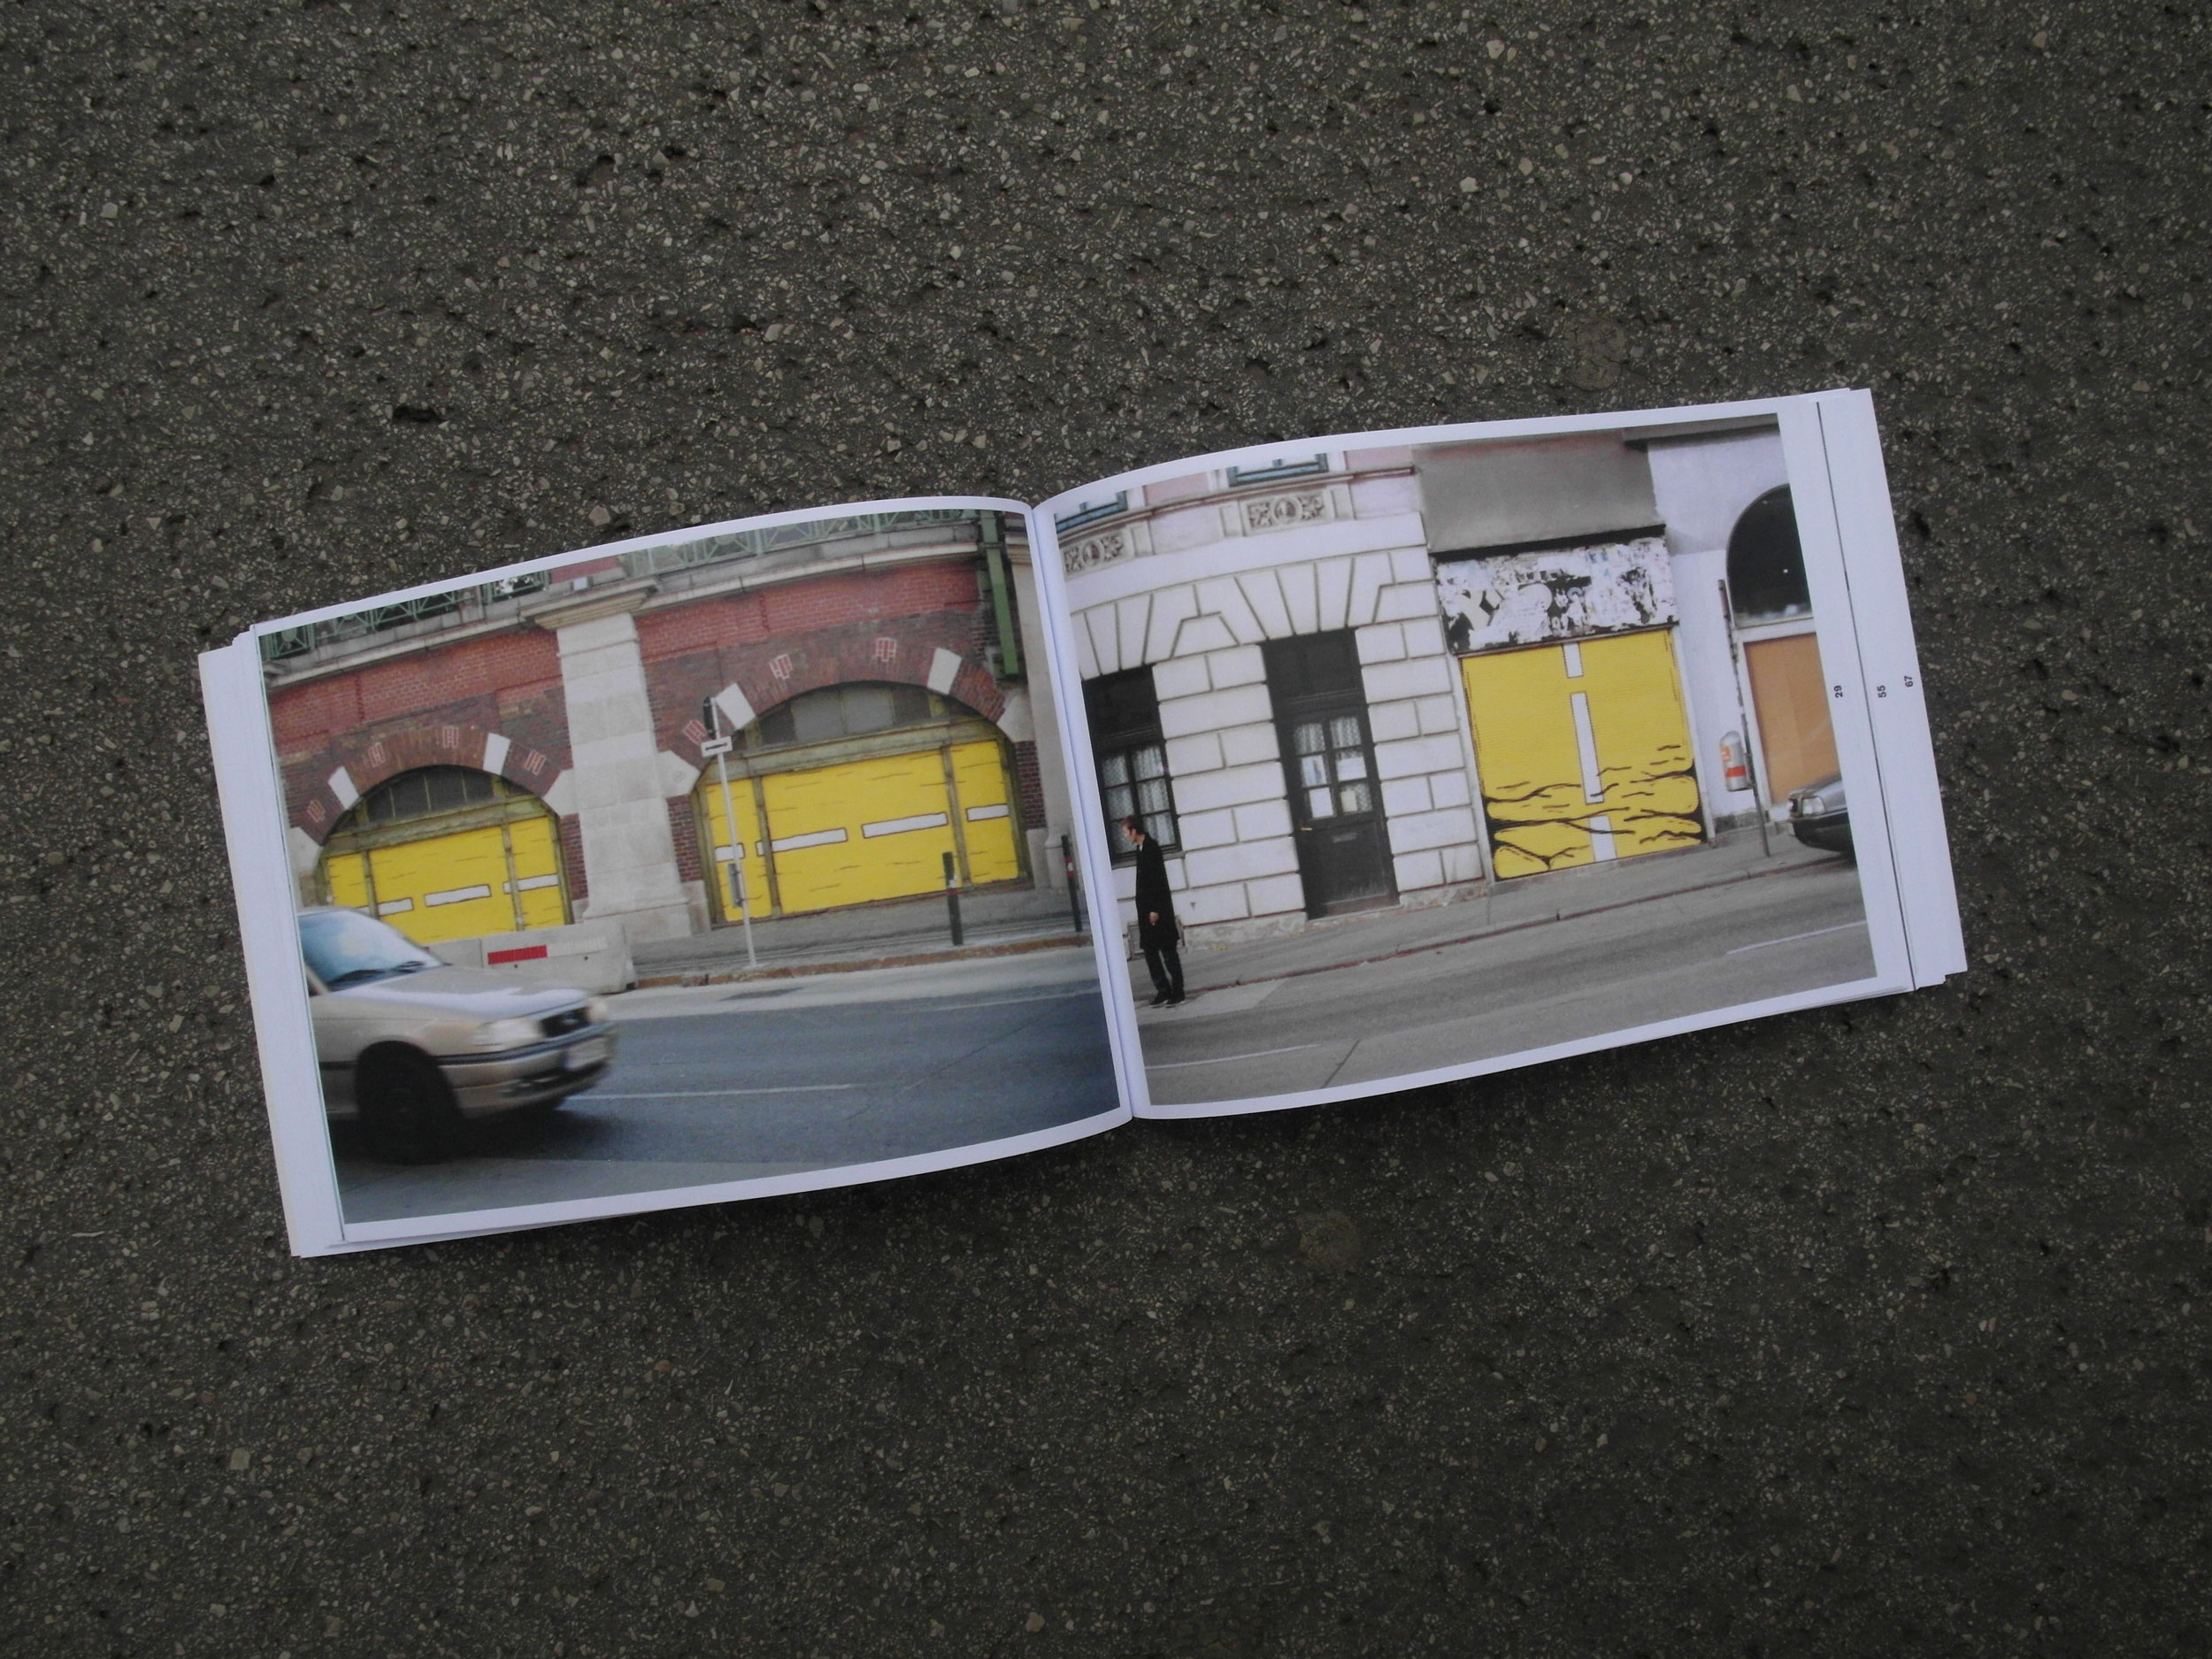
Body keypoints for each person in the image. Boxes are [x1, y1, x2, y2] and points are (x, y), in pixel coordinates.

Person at [1124, 816, 1184, 1007]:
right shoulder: (1140, 849)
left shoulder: (1151, 848)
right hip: (1146, 913)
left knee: (1168, 952)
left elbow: (1158, 881)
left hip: (1157, 912)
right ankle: (1163, 990)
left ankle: (1178, 991)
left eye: (1126, 832)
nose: (1125, 836)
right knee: (1150, 952)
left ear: (1134, 831)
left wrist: (1155, 909)